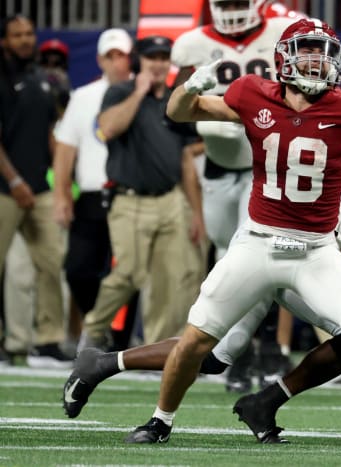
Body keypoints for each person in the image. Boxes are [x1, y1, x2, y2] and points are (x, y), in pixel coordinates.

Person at [122, 18, 341, 453]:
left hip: (316, 249)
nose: (316, 59)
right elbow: (179, 113)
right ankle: (161, 421)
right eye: (307, 49)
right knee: (199, 338)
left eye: (323, 50)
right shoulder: (252, 93)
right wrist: (188, 88)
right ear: (284, 56)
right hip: (257, 241)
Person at [64, 188, 341, 451]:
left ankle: (262, 402)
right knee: (216, 353)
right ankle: (104, 364)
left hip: (308, 262)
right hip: (277, 241)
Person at [171, 0, 302, 391]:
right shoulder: (191, 44)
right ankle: (240, 352)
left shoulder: (282, 32)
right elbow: (175, 109)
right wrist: (204, 117)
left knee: (259, 254)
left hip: (262, 168)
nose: (231, 9)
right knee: (227, 258)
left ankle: (261, 347)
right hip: (217, 166)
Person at [78, 35, 206, 349]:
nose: (159, 64)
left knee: (167, 280)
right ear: (139, 62)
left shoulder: (176, 101)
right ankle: (93, 332)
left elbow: (186, 158)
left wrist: (197, 213)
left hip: (170, 199)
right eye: (152, 58)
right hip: (129, 199)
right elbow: (107, 130)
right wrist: (138, 93)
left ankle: (156, 350)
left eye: (164, 58)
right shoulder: (120, 91)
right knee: (129, 274)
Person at [0, 14, 71, 367]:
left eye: (29, 33)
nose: (26, 40)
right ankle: (10, 342)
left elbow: (48, 135)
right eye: (18, 35)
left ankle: (47, 341)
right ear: (4, 41)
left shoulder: (41, 80)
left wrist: (58, 185)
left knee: (51, 262)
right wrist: (14, 181)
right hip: (5, 188)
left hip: (38, 188)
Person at [52, 28, 133, 325]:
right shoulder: (83, 97)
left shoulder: (141, 93)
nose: (116, 63)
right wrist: (61, 195)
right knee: (79, 269)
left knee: (128, 272)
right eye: (110, 56)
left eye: (121, 55)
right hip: (91, 195)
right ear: (99, 60)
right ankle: (96, 326)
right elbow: (65, 150)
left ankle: (120, 340)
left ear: (130, 58)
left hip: (129, 194)